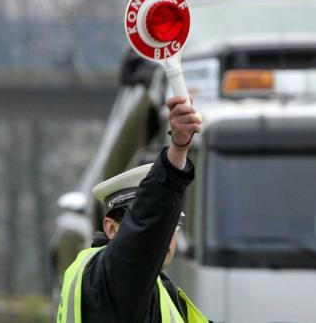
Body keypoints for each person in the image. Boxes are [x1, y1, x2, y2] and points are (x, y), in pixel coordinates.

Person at [57, 96, 211, 323]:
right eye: (158, 225)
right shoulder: (110, 280)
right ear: (110, 228)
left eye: (173, 224)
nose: (165, 234)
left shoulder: (156, 288)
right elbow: (148, 225)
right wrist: (177, 153)